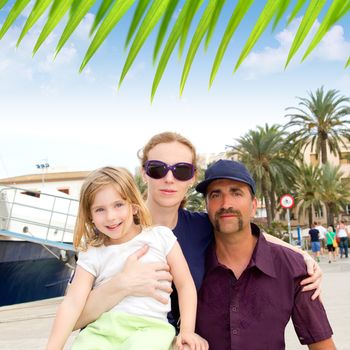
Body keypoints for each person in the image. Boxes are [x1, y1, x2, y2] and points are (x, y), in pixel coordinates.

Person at [73, 132, 322, 334]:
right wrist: (121, 285)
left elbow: (254, 234)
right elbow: (73, 319)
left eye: (181, 170)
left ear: (191, 178)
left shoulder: (201, 226)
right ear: (144, 173)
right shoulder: (111, 229)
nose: (169, 179)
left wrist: (302, 257)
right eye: (158, 169)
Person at [46, 166, 208, 350]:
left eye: (118, 205)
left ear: (134, 206)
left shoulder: (160, 237)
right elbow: (73, 302)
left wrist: (187, 330)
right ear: (90, 216)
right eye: (100, 209)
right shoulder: (92, 252)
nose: (110, 217)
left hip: (149, 328)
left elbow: (185, 285)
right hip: (101, 330)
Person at [195, 159, 335, 350]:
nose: (226, 203)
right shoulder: (189, 262)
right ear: (207, 206)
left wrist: (302, 255)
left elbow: (323, 345)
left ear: (253, 205)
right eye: (215, 194)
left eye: (236, 193)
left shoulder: (293, 268)